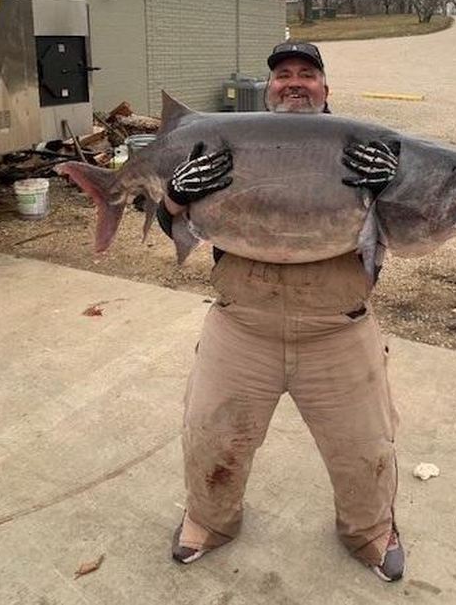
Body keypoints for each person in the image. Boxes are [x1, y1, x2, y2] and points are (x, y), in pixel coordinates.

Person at [154, 41, 406, 582]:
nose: (294, 82)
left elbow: (410, 228)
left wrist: (393, 186)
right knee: (211, 436)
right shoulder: (227, 144)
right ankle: (209, 520)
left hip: (338, 329)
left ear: (325, 89)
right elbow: (169, 221)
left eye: (307, 74)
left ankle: (371, 531)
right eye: (282, 75)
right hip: (241, 324)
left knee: (366, 445)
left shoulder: (365, 149)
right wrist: (174, 197)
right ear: (267, 91)